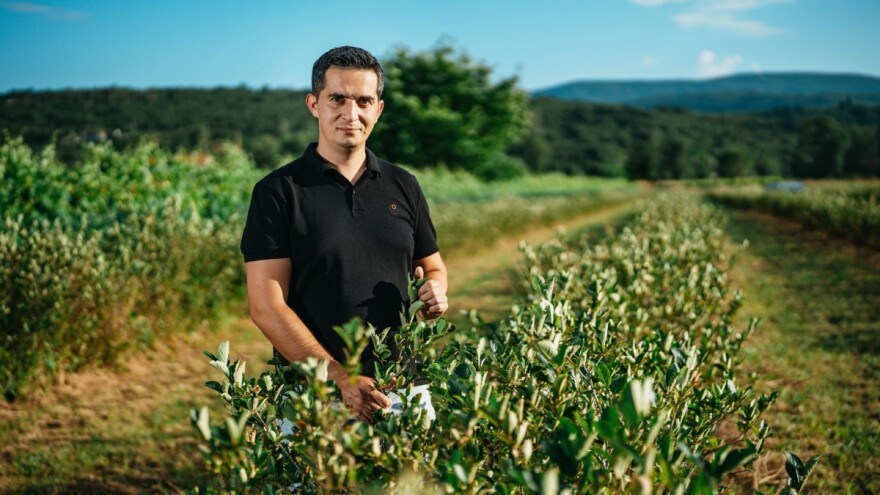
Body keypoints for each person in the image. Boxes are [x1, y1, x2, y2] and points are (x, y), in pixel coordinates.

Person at [240, 46, 448, 423]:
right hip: (315, 397)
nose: (351, 114)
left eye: (364, 101)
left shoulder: (404, 185)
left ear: (378, 109)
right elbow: (266, 306)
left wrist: (436, 291)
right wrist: (339, 377)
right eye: (337, 98)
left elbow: (432, 267)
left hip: (403, 391)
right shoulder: (278, 191)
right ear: (314, 104)